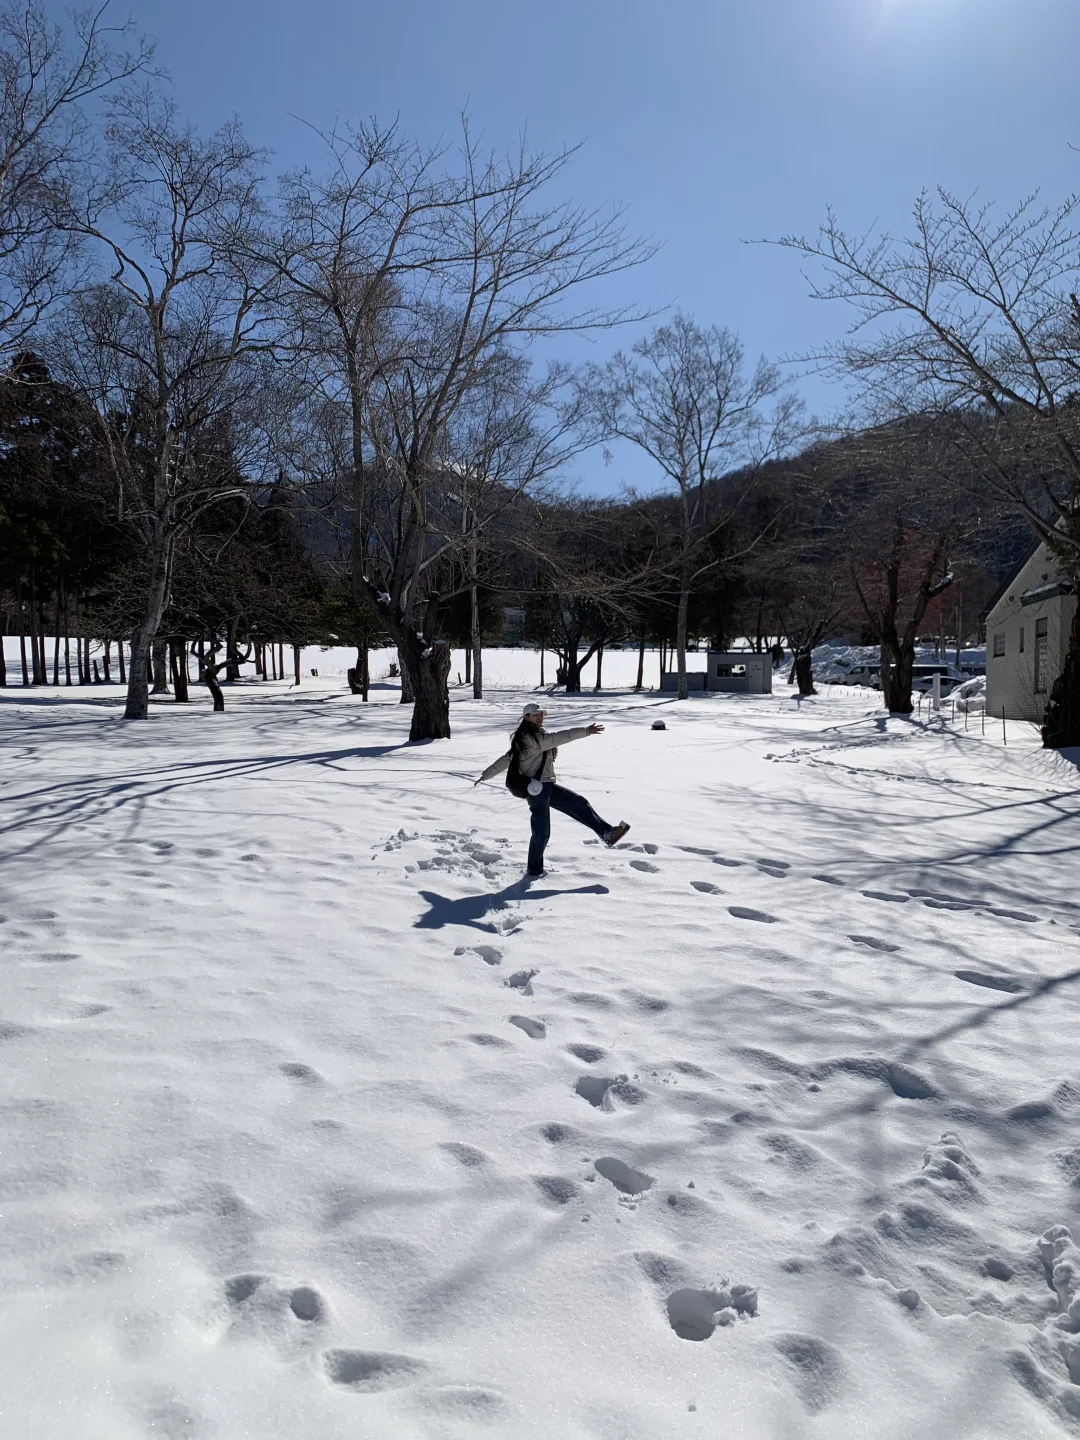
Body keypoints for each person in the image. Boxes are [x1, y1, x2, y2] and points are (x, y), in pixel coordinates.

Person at [474, 702, 630, 876]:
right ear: (526, 717)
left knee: (579, 803)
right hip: (538, 790)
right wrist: (585, 731)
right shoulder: (530, 739)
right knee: (542, 833)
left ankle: (608, 833)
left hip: (546, 786)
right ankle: (534, 870)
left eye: (541, 714)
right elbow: (560, 737)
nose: (540, 717)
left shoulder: (532, 736)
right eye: (536, 714)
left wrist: (486, 774)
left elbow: (505, 759)